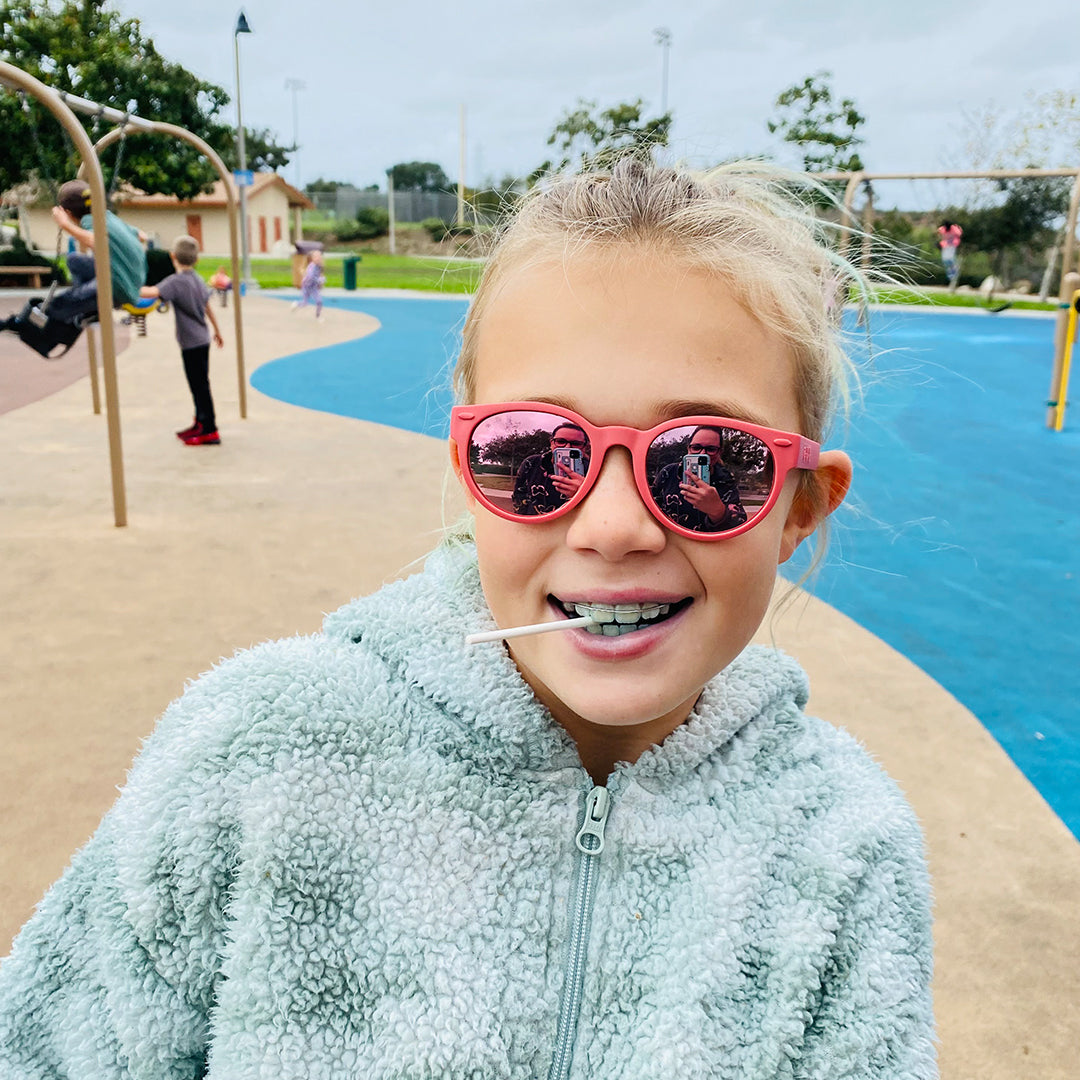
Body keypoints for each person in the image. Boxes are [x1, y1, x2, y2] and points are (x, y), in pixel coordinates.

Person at [0, 160, 936, 1077]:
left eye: (712, 460)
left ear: (802, 506)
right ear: (468, 472)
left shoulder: (845, 846)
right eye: (533, 453)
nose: (614, 528)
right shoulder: (254, 754)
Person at [139, 235, 224, 446]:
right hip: (202, 339)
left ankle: (210, 429)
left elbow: (151, 292)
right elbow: (207, 306)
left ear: (172, 256)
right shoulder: (197, 279)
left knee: (199, 386)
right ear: (197, 260)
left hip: (191, 344)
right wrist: (217, 330)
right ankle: (200, 422)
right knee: (199, 384)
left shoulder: (176, 282)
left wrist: (123, 285)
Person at [649, 424, 748, 533]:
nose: (702, 453)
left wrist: (718, 512)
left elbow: (740, 525)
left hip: (705, 543)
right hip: (670, 539)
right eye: (696, 448)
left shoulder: (726, 480)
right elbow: (649, 506)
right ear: (688, 448)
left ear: (719, 452)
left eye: (711, 449)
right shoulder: (669, 472)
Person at [511, 420, 590, 514]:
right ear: (551, 443)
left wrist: (582, 495)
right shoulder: (531, 463)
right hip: (533, 521)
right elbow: (519, 494)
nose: (567, 447)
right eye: (560, 441)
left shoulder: (593, 470)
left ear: (585, 447)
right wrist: (523, 518)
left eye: (576, 443)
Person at [294, 248, 325, 317]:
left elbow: (320, 275)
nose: (318, 258)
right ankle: (296, 304)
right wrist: (319, 280)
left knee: (319, 301)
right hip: (306, 286)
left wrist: (322, 280)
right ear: (312, 258)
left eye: (319, 256)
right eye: (316, 257)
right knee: (304, 303)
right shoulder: (311, 267)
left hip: (314, 287)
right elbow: (310, 276)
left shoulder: (320, 266)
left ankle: (318, 316)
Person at [937, 220, 963, 290]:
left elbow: (959, 233)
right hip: (945, 245)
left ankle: (954, 270)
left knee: (950, 258)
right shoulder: (943, 229)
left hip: (952, 245)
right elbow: (939, 232)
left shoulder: (954, 228)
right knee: (945, 259)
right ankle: (950, 273)